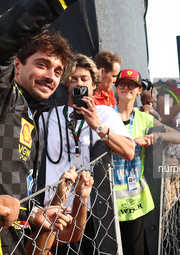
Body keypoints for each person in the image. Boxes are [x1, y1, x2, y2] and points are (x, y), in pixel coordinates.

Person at [0, 0, 76, 253]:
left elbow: (6, 190)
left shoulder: (30, 115)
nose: (51, 76)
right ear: (16, 65)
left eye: (58, 71)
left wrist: (35, 213)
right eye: (42, 64)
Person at [40, 53, 134, 254]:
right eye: (73, 79)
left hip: (92, 210)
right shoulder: (48, 118)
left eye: (84, 79)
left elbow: (129, 152)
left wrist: (97, 125)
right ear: (66, 84)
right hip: (55, 210)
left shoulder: (106, 114)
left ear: (94, 85)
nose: (78, 84)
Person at [113, 68, 180, 255]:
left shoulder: (144, 119)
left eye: (132, 84)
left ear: (139, 91)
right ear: (115, 87)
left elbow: (179, 137)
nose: (126, 87)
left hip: (133, 202)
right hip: (107, 200)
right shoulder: (105, 115)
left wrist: (157, 134)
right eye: (122, 83)